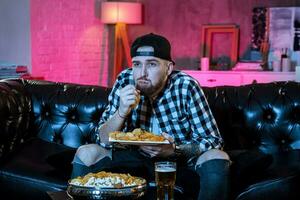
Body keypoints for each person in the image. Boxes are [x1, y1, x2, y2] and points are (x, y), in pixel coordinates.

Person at [71, 33, 231, 200]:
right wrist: (121, 111)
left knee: (218, 156)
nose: (142, 73)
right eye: (137, 64)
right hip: (132, 158)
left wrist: (174, 150)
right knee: (86, 152)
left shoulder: (185, 86)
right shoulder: (125, 80)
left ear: (168, 68)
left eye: (152, 64)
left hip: (177, 162)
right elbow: (102, 139)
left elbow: (213, 141)